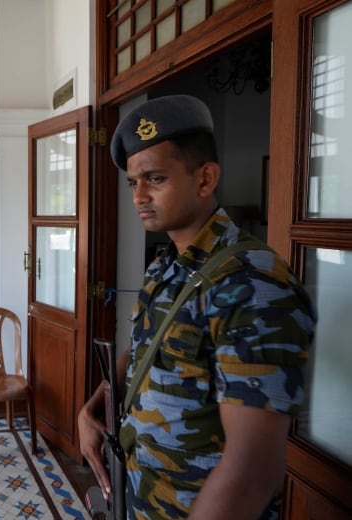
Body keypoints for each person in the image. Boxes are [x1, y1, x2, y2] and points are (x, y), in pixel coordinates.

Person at [77, 95, 316, 519]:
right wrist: (92, 407)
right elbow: (148, 349)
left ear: (205, 179)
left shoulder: (252, 282)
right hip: (141, 494)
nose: (139, 196)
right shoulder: (166, 263)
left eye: (155, 178)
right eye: (134, 182)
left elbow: (252, 470)